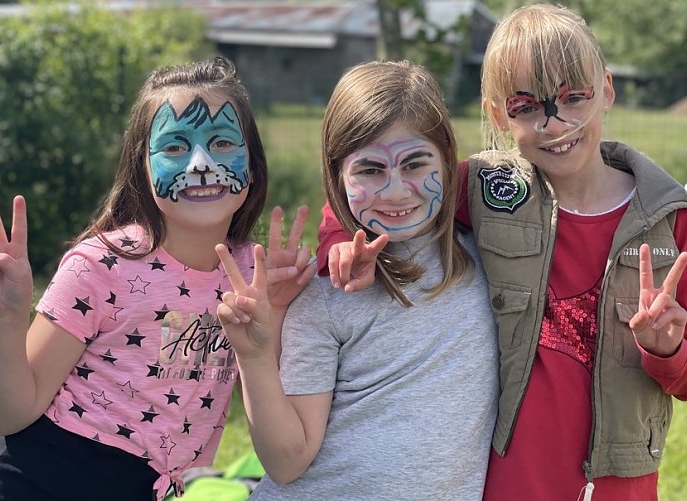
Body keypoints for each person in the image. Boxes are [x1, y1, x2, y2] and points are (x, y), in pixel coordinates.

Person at [317, 5, 687, 500]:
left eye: (574, 98)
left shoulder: (672, 224)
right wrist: (338, 244)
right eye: (526, 107)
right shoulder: (487, 189)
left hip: (619, 483)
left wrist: (666, 349)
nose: (554, 124)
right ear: (499, 114)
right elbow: (386, 189)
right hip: (505, 478)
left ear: (606, 89)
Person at [0, 56, 314, 501]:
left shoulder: (254, 282)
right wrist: (3, 320)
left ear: (252, 165)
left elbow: (281, 443)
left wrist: (276, 309)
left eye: (221, 143)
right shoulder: (100, 264)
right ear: (143, 165)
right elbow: (7, 415)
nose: (200, 163)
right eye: (176, 147)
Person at [213, 60, 500, 499]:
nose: (396, 190)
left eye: (415, 164)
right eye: (370, 170)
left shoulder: (494, 258)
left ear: (448, 159)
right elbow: (288, 462)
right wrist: (254, 358)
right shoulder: (326, 293)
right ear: (337, 175)